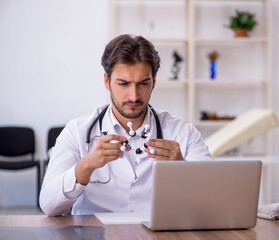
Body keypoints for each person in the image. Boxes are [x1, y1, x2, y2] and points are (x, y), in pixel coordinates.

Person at [40, 34, 213, 216]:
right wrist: (86, 165)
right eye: (123, 83)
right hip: (95, 234)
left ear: (154, 81)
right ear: (107, 81)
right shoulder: (77, 131)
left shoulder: (182, 132)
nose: (134, 96)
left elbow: (214, 200)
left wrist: (182, 168)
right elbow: (49, 205)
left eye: (143, 83)